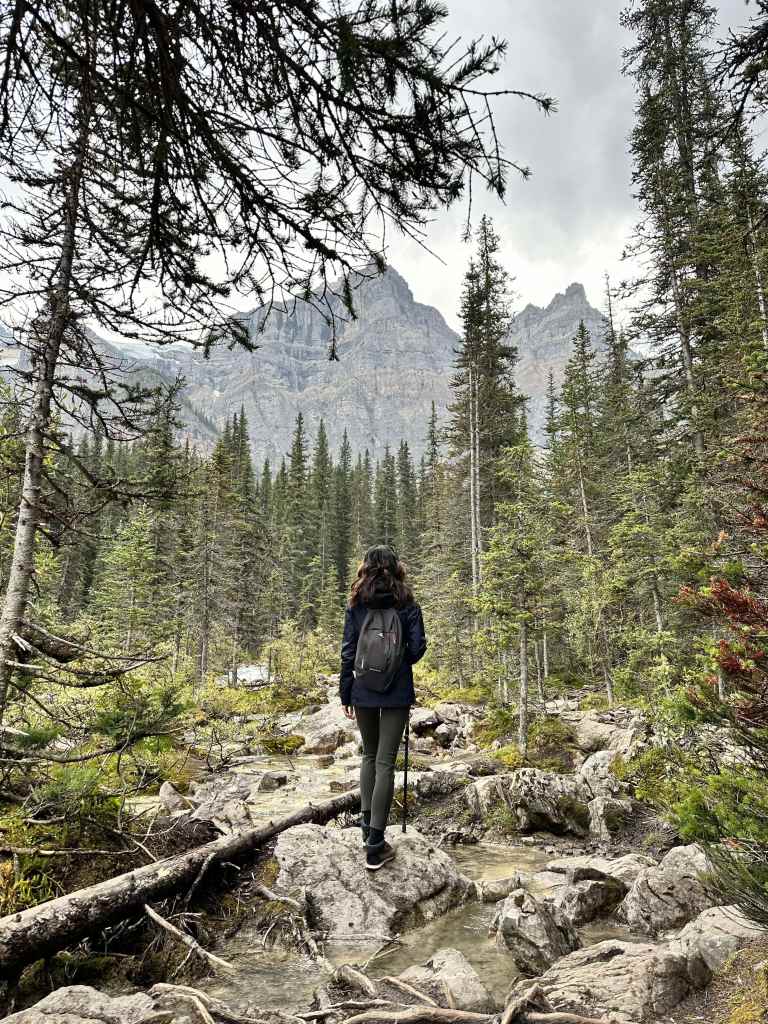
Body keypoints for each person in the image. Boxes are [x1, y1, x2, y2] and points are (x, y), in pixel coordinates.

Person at [340, 545, 427, 870]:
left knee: (368, 755)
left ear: (366, 567)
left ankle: (367, 831)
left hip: (362, 688)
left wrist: (345, 693)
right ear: (396, 567)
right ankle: (375, 846)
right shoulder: (407, 603)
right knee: (386, 762)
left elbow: (348, 651)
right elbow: (417, 650)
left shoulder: (356, 603)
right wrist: (398, 657)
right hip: (396, 691)